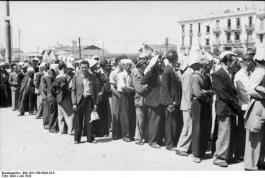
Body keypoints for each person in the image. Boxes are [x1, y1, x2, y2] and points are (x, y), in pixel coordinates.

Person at [211, 51, 241, 167]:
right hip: (225, 108)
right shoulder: (219, 74)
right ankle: (219, 157)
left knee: (230, 133)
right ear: (228, 62)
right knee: (224, 134)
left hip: (230, 108)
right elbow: (223, 94)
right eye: (234, 62)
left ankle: (227, 156)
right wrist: (236, 104)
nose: (236, 64)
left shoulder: (228, 73)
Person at [176, 48, 201, 156]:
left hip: (187, 104)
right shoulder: (189, 74)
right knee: (187, 127)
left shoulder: (189, 72)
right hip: (187, 105)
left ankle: (186, 147)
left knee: (189, 127)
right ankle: (181, 147)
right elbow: (186, 91)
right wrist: (189, 105)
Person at [244, 46, 265, 171]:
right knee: (255, 134)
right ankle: (250, 164)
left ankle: (259, 161)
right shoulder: (260, 72)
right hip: (258, 104)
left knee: (260, 135)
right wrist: (262, 94)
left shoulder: (260, 71)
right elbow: (250, 89)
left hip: (261, 104)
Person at [190, 58, 214, 163]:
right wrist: (208, 91)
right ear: (204, 66)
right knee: (197, 128)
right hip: (198, 105)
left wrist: (205, 91)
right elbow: (198, 94)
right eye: (210, 66)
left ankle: (202, 151)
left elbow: (211, 90)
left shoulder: (207, 77)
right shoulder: (195, 77)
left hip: (205, 104)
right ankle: (195, 154)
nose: (211, 68)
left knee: (205, 128)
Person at [141, 54, 165, 149]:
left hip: (161, 99)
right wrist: (150, 69)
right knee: (153, 122)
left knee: (160, 121)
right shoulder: (151, 72)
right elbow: (143, 81)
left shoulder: (162, 72)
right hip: (153, 99)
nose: (159, 63)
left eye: (160, 61)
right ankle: (152, 141)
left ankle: (159, 139)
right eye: (157, 62)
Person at [72, 60, 98, 144]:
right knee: (78, 120)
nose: (84, 69)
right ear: (79, 67)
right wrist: (74, 103)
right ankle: (77, 139)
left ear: (88, 67)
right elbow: (73, 90)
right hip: (80, 99)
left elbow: (96, 91)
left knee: (90, 119)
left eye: (86, 67)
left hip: (90, 99)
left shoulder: (92, 77)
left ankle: (90, 138)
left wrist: (95, 103)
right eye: (82, 67)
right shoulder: (76, 76)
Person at [161, 50, 182, 151]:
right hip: (171, 101)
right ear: (175, 58)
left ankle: (173, 141)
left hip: (175, 100)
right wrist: (170, 102)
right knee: (169, 123)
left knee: (174, 123)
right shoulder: (167, 70)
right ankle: (169, 144)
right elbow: (165, 88)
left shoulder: (172, 69)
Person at [233, 54, 253, 160]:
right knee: (241, 131)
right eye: (251, 61)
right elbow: (243, 93)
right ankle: (239, 152)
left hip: (250, 106)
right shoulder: (239, 75)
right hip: (244, 107)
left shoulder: (250, 73)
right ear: (247, 62)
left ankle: (245, 152)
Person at [116, 59, 135, 142]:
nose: (128, 66)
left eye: (129, 65)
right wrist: (132, 89)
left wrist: (130, 89)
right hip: (124, 95)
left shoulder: (130, 74)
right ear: (123, 66)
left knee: (131, 115)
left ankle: (130, 134)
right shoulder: (121, 75)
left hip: (130, 95)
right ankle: (125, 135)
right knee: (125, 116)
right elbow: (123, 86)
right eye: (126, 65)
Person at [53, 61, 74, 135]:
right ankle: (70, 130)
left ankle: (61, 130)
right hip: (65, 97)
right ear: (64, 68)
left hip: (58, 97)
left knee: (60, 114)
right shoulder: (67, 76)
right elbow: (71, 87)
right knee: (69, 114)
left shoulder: (57, 77)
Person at [132, 56, 148, 145]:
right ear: (140, 67)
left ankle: (144, 136)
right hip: (140, 100)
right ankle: (138, 138)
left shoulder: (144, 74)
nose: (145, 67)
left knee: (144, 120)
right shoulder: (137, 75)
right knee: (140, 120)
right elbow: (140, 89)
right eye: (144, 66)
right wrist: (147, 87)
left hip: (145, 100)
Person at [109, 56, 126, 140]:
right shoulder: (113, 73)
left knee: (123, 114)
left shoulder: (125, 72)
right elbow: (112, 88)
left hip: (124, 94)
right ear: (118, 62)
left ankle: (123, 133)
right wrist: (120, 96)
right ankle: (115, 134)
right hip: (117, 95)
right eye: (122, 62)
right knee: (115, 113)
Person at [43, 64, 59, 133]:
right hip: (52, 97)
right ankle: (52, 128)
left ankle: (51, 126)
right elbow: (51, 88)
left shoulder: (48, 76)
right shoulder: (50, 77)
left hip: (50, 97)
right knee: (53, 113)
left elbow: (45, 88)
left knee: (52, 113)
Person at [40, 63, 50, 130]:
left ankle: (47, 124)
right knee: (46, 111)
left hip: (46, 96)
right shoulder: (44, 77)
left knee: (47, 111)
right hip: (46, 96)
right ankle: (46, 124)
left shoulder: (46, 76)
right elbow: (44, 88)